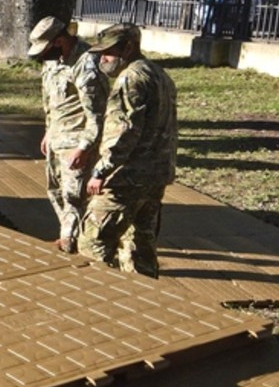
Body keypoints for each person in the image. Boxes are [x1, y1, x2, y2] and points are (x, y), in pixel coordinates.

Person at [82, 23, 178, 278]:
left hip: (127, 177)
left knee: (94, 242)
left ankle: (93, 297)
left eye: (109, 53)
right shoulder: (159, 74)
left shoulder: (130, 78)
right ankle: (144, 298)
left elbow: (123, 132)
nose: (104, 59)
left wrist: (101, 171)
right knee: (141, 246)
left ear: (128, 48)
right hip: (155, 175)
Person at [30, 15, 105, 254]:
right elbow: (50, 101)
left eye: (45, 49)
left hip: (76, 142)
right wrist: (48, 131)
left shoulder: (86, 64)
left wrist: (85, 147)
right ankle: (68, 234)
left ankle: (71, 243)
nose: (42, 55)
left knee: (74, 196)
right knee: (55, 192)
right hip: (56, 139)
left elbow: (97, 114)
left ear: (60, 41)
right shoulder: (52, 62)